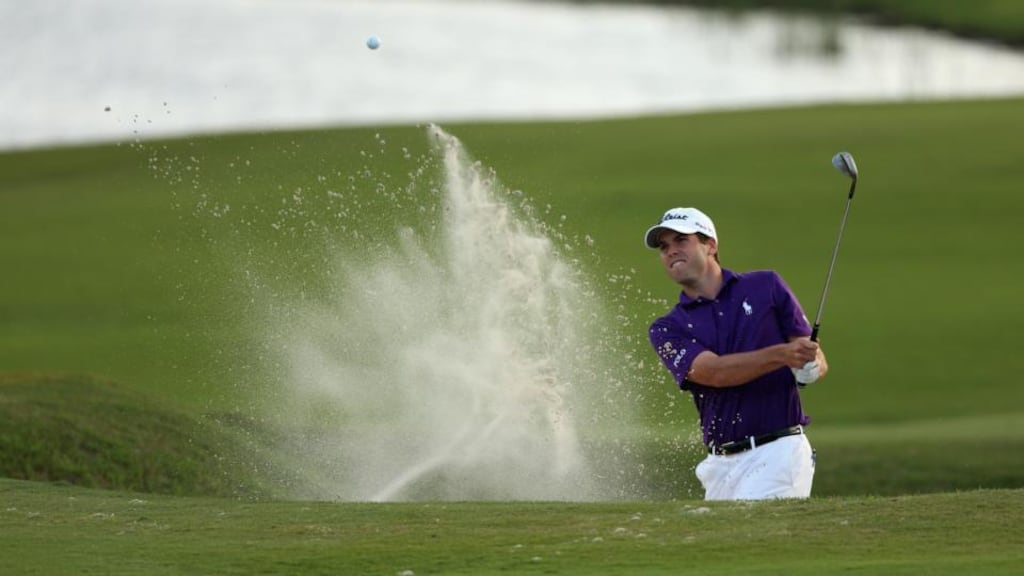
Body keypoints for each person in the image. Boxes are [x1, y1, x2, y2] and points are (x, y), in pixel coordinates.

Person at [643, 207, 827, 500]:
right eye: (664, 247)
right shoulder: (667, 328)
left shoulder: (766, 286)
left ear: (710, 245)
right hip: (718, 466)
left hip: (777, 452)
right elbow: (713, 373)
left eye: (681, 240)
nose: (671, 251)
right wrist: (782, 355)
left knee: (758, 539)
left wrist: (811, 366)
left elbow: (809, 352)